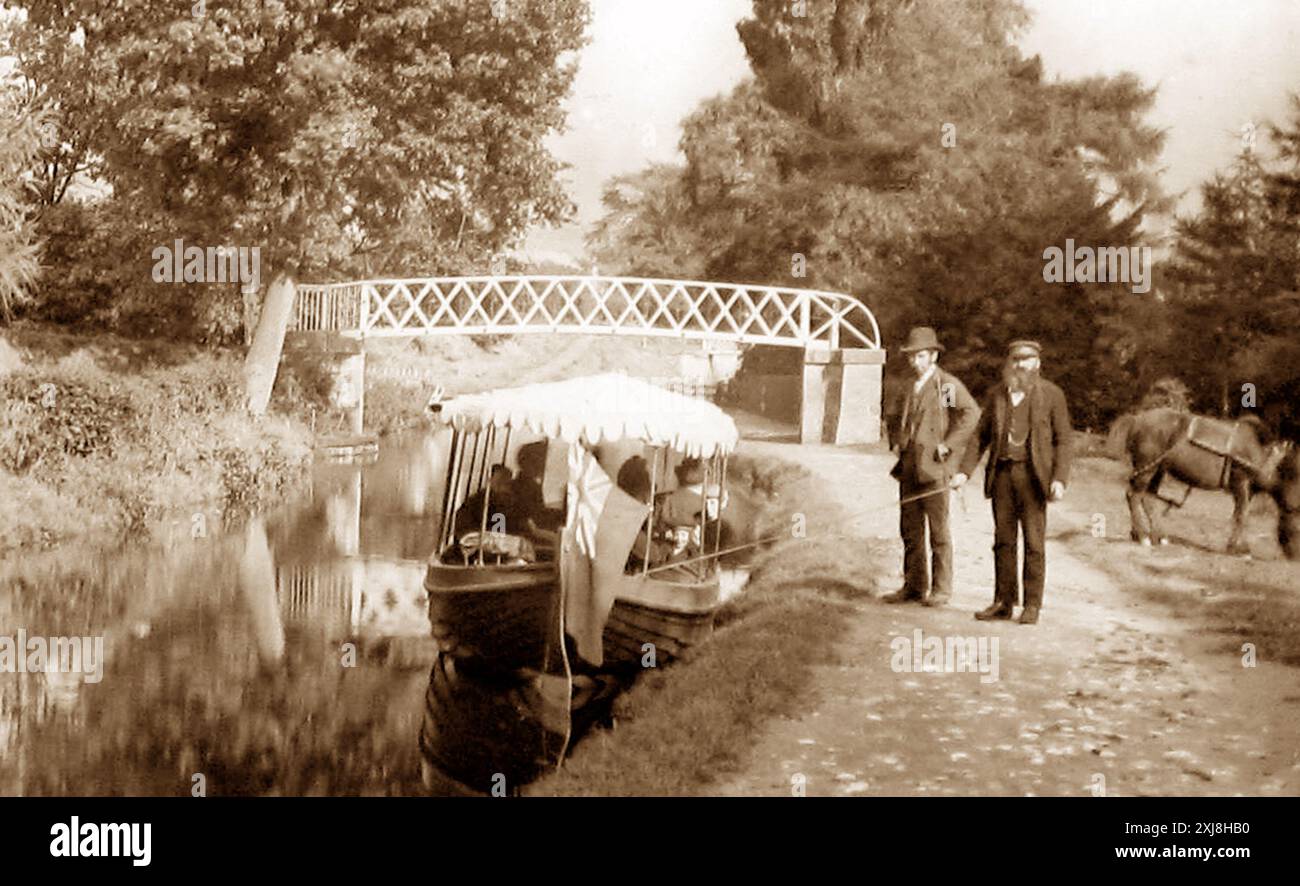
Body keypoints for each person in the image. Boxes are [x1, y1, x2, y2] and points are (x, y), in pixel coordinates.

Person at [952, 340, 1073, 625]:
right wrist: (963, 472)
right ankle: (1003, 602)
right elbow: (979, 437)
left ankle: (1032, 606)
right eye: (1016, 359)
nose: (1020, 365)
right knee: (1003, 542)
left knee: (1034, 543)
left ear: (1038, 364)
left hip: (1034, 479)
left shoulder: (1052, 395)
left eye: (1027, 359)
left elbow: (1064, 440)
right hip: (1002, 477)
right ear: (1009, 363)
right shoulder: (997, 395)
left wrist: (1059, 479)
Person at [884, 326, 979, 607]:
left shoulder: (944, 386)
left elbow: (970, 414)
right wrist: (896, 439)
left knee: (938, 531)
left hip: (935, 468)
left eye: (921, 356)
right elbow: (893, 414)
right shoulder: (908, 385)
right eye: (912, 356)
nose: (915, 361)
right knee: (910, 530)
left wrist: (949, 444)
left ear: (934, 356)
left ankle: (941, 589)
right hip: (909, 466)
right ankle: (913, 586)